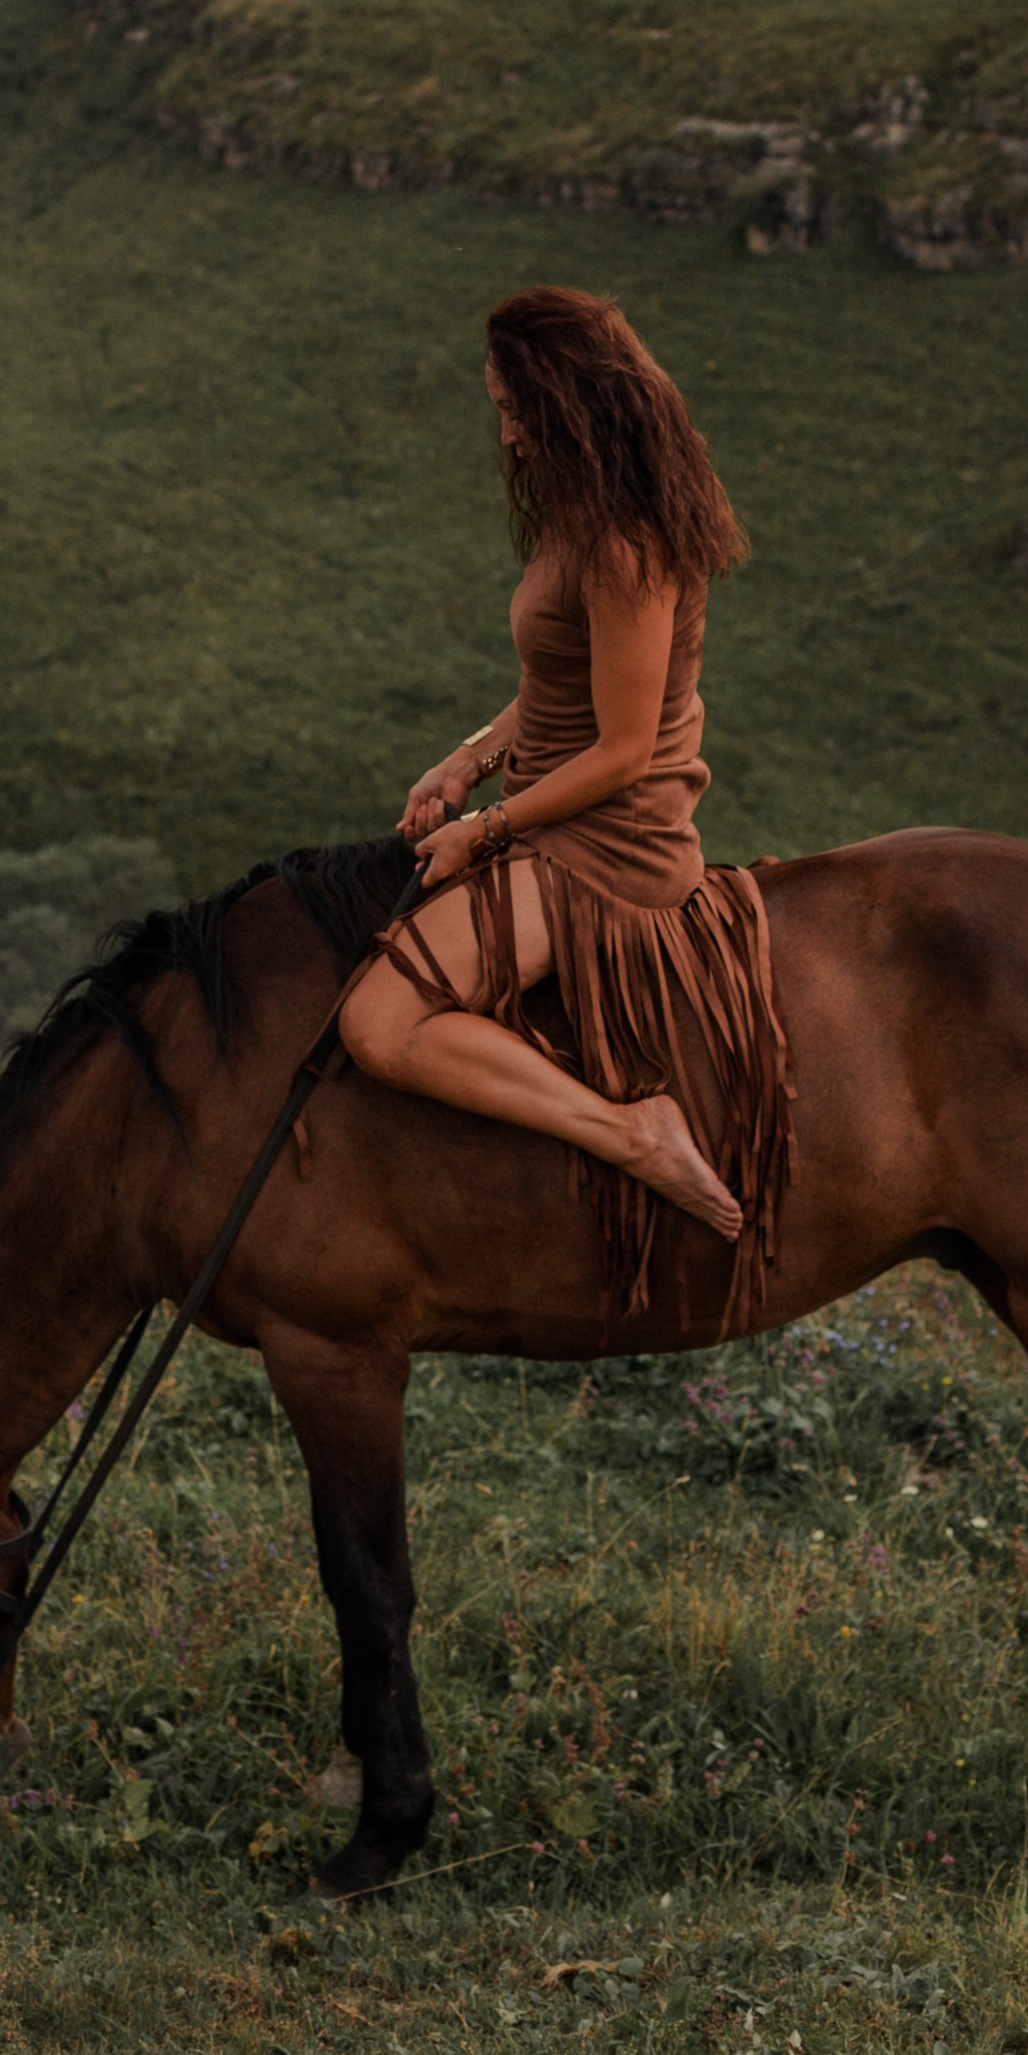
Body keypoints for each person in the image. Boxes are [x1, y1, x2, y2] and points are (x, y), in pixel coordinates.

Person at [340, 286, 790, 1301]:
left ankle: (634, 1134)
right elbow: (554, 690)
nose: (501, 432)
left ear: (568, 405)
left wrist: (481, 830)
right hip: (552, 809)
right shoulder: (575, 516)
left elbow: (626, 750)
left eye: (514, 409)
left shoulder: (625, 546)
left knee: (379, 1023)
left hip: (610, 844)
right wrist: (466, 760)